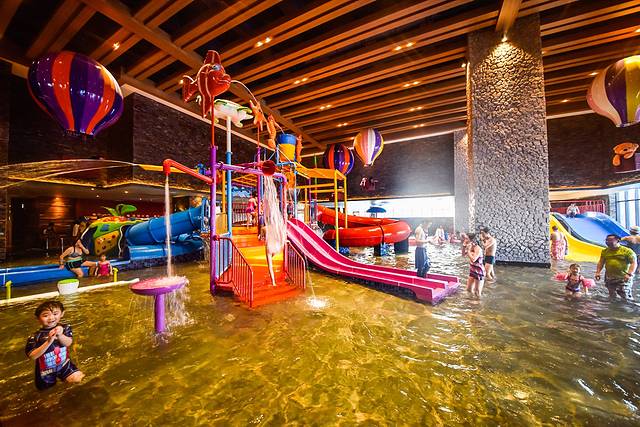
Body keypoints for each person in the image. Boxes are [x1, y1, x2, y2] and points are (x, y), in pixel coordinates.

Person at [25, 300, 84, 390]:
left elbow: (68, 343)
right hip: (45, 371)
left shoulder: (65, 328)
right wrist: (48, 342)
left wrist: (60, 335)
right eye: (45, 315)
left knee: (79, 380)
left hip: (64, 364)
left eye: (55, 314)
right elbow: (32, 356)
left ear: (62, 314)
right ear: (38, 319)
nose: (51, 318)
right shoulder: (35, 337)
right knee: (48, 393)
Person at [595, 234, 637, 301]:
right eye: (606, 240)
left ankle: (627, 307)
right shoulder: (605, 251)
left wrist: (629, 274)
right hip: (610, 277)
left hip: (623, 278)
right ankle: (613, 306)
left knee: (625, 296)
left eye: (610, 240)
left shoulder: (627, 251)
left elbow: (634, 263)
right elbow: (601, 262)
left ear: (618, 240)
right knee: (612, 296)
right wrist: (598, 272)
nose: (608, 242)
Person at [466, 233, 485, 298]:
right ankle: (471, 302)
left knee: (477, 292)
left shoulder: (478, 248)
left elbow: (473, 259)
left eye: (467, 238)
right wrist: (464, 247)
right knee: (469, 289)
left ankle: (478, 303)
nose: (465, 240)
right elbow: (463, 254)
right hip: (472, 270)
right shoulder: (471, 246)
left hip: (479, 271)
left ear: (472, 240)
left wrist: (468, 251)